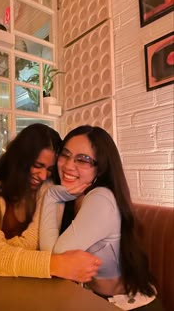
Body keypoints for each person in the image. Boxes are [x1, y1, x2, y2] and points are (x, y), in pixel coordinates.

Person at [0, 123, 101, 282]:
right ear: (19, 159)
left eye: (50, 169)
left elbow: (33, 242)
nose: (43, 176)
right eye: (37, 166)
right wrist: (55, 264)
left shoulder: (48, 189)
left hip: (13, 281)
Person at [40, 125, 163, 310]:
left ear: (101, 168)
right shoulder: (73, 197)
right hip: (96, 299)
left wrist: (51, 196)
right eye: (65, 154)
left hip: (129, 305)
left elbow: (56, 258)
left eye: (83, 160)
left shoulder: (101, 198)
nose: (68, 165)